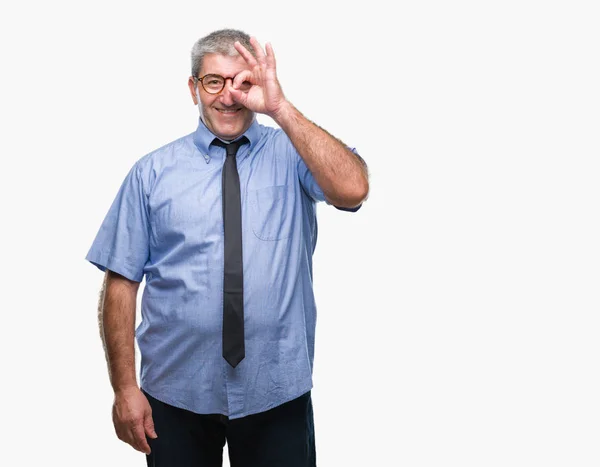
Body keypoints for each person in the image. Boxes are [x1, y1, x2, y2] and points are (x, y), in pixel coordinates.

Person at [86, 28, 369, 467]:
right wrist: (124, 388)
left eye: (243, 82)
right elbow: (120, 283)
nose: (228, 96)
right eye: (214, 81)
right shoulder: (151, 173)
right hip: (175, 394)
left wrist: (280, 108)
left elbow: (353, 189)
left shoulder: (295, 154)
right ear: (193, 88)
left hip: (275, 390)